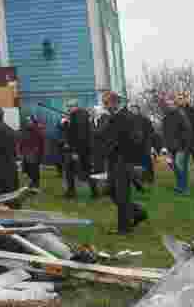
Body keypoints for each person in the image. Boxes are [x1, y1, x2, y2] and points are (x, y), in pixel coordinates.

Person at [98, 91, 148, 234]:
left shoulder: (127, 117)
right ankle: (138, 212)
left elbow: (137, 139)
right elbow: (102, 136)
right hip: (114, 160)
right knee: (112, 191)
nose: (105, 106)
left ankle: (124, 228)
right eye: (104, 103)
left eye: (106, 103)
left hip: (124, 161)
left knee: (121, 194)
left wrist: (123, 151)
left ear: (115, 103)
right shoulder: (112, 117)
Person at [62, 99, 99, 199]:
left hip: (81, 150)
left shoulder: (80, 116)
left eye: (70, 106)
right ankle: (71, 192)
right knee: (70, 170)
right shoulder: (75, 116)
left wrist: (75, 151)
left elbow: (80, 135)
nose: (68, 108)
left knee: (85, 171)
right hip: (77, 149)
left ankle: (94, 192)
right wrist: (65, 123)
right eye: (68, 106)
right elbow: (70, 133)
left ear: (76, 106)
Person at [161, 92, 194, 195]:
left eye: (171, 103)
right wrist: (164, 147)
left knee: (180, 167)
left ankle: (184, 189)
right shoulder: (166, 118)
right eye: (167, 104)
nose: (169, 105)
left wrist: (185, 146)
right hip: (171, 147)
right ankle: (180, 186)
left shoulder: (181, 114)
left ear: (174, 104)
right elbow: (165, 133)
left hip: (182, 147)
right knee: (174, 166)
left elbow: (188, 130)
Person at [130, 104, 158, 183]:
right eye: (132, 109)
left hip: (145, 144)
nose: (133, 110)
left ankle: (150, 178)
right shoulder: (129, 120)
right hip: (134, 145)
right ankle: (140, 178)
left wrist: (148, 141)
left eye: (134, 109)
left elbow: (151, 131)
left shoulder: (145, 119)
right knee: (137, 163)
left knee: (147, 161)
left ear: (138, 110)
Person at [19, 115, 45, 189]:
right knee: (27, 170)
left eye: (29, 120)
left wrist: (38, 152)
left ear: (33, 121)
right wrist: (21, 151)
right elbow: (22, 141)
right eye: (27, 121)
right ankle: (31, 184)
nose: (27, 122)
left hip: (34, 154)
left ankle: (35, 185)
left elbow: (41, 143)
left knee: (34, 170)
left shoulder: (38, 130)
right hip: (25, 153)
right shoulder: (25, 130)